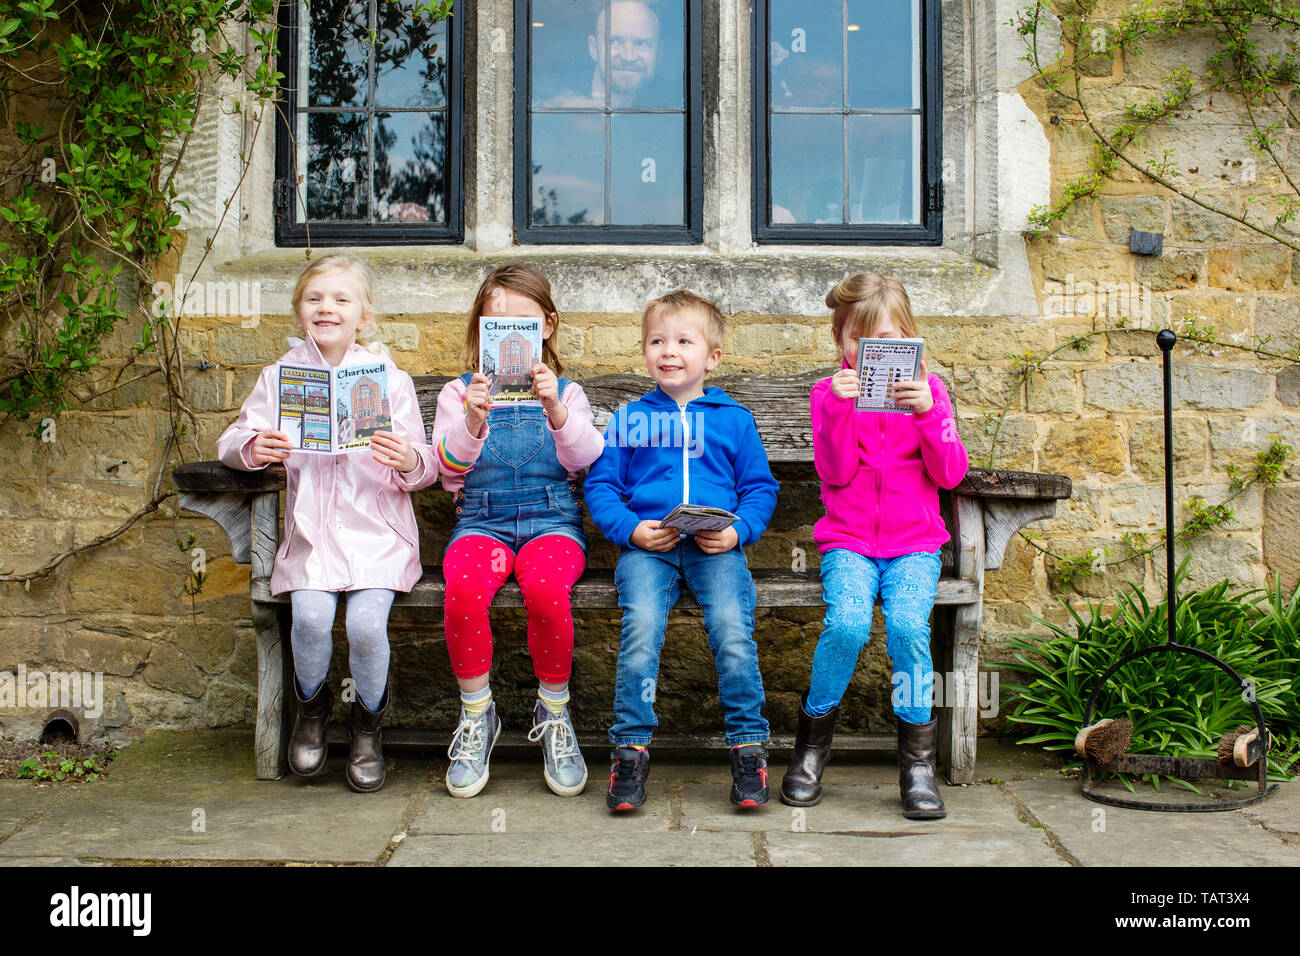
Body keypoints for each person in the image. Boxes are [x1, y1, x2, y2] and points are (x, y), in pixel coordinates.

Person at [217, 254, 439, 793]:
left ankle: (367, 728)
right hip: (311, 540)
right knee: (311, 618)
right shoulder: (278, 379)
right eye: (315, 298)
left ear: (363, 315)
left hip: (377, 538)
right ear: (298, 311)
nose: (327, 308)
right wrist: (255, 447)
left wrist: (407, 458)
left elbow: (427, 467)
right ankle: (312, 713)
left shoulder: (389, 379)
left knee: (365, 624)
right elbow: (229, 443)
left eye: (342, 299)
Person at [780, 273, 969, 818]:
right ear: (840, 341)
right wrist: (840, 409)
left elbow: (951, 475)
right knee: (848, 624)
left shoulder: (931, 394)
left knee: (910, 626)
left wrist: (929, 415)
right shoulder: (827, 393)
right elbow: (834, 472)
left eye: (884, 342)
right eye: (858, 343)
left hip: (915, 544)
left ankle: (917, 765)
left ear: (909, 340)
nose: (870, 355)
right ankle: (810, 749)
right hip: (850, 542)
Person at [585, 290, 779, 811]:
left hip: (715, 549)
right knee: (642, 630)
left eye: (683, 340)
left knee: (733, 632)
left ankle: (747, 746)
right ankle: (629, 750)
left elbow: (760, 488)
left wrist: (739, 533)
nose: (668, 350)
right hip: (650, 549)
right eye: (656, 340)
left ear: (711, 357)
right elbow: (601, 487)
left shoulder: (733, 419)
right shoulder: (629, 418)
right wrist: (632, 530)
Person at [431, 265, 605, 798]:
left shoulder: (568, 393)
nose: (508, 335)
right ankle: (477, 714)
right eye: (495, 324)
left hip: (551, 520)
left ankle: (553, 711)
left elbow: (586, 459)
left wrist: (554, 408)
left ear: (546, 328)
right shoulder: (456, 394)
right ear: (481, 330)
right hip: (481, 519)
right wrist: (472, 423)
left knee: (549, 592)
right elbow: (445, 473)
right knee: (462, 592)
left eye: (522, 325)